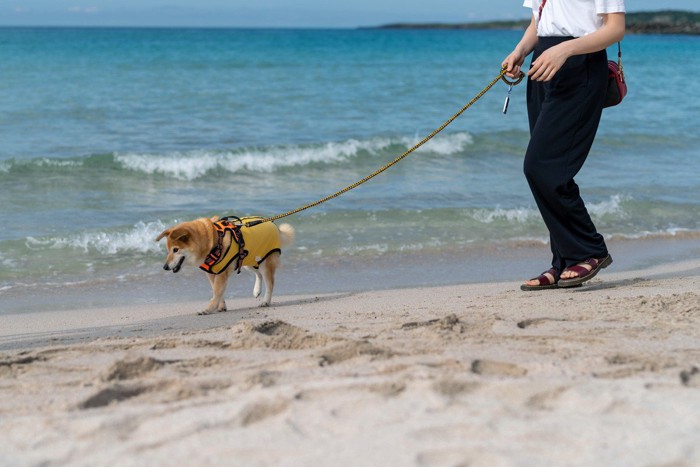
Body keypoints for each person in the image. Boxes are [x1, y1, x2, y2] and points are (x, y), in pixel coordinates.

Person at [502, 0, 626, 290]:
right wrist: (520, 51)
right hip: (542, 65)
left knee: (542, 168)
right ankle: (564, 261)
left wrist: (565, 50)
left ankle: (590, 249)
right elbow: (539, 22)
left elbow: (616, 29)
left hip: (579, 64)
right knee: (549, 173)